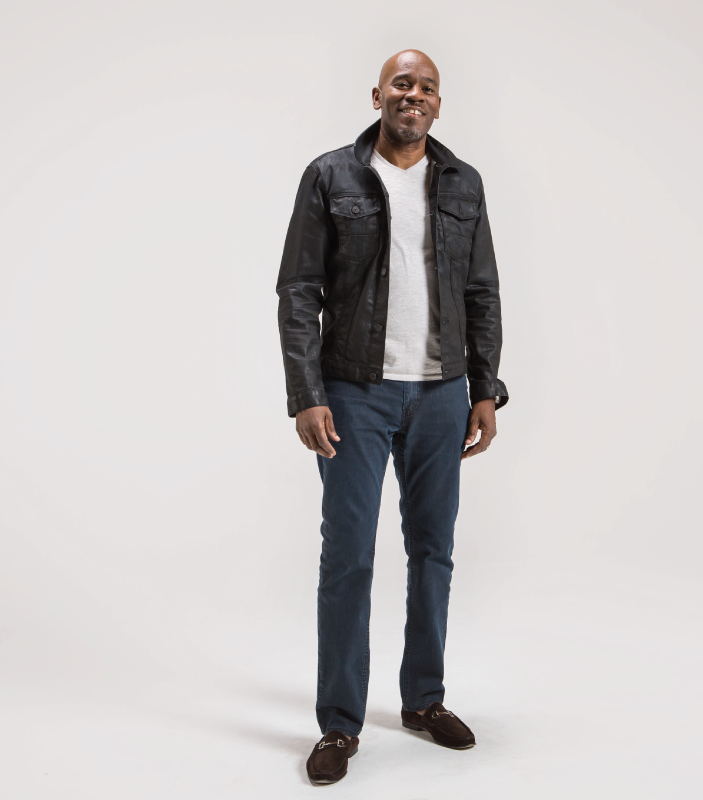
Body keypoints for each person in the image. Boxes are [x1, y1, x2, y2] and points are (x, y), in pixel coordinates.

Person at [275, 49, 509, 785]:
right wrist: (306, 392)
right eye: (402, 84)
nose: (415, 95)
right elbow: (298, 289)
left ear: (439, 102)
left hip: (442, 393)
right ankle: (339, 723)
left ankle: (423, 699)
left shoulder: (463, 182)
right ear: (378, 96)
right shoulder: (331, 176)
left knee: (434, 550)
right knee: (348, 554)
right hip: (353, 392)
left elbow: (482, 292)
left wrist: (484, 388)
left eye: (427, 87)